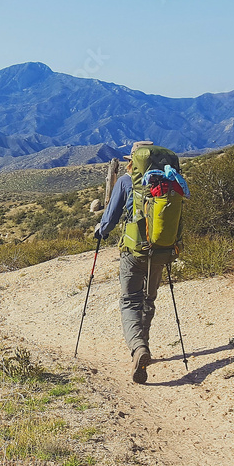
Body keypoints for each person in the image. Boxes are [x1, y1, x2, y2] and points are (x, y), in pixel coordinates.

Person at [93, 141, 166, 384]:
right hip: (161, 251)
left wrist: (101, 231)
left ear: (132, 160)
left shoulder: (126, 181)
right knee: (149, 299)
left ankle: (138, 348)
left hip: (133, 251)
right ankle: (142, 346)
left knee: (129, 301)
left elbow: (110, 217)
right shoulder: (167, 181)